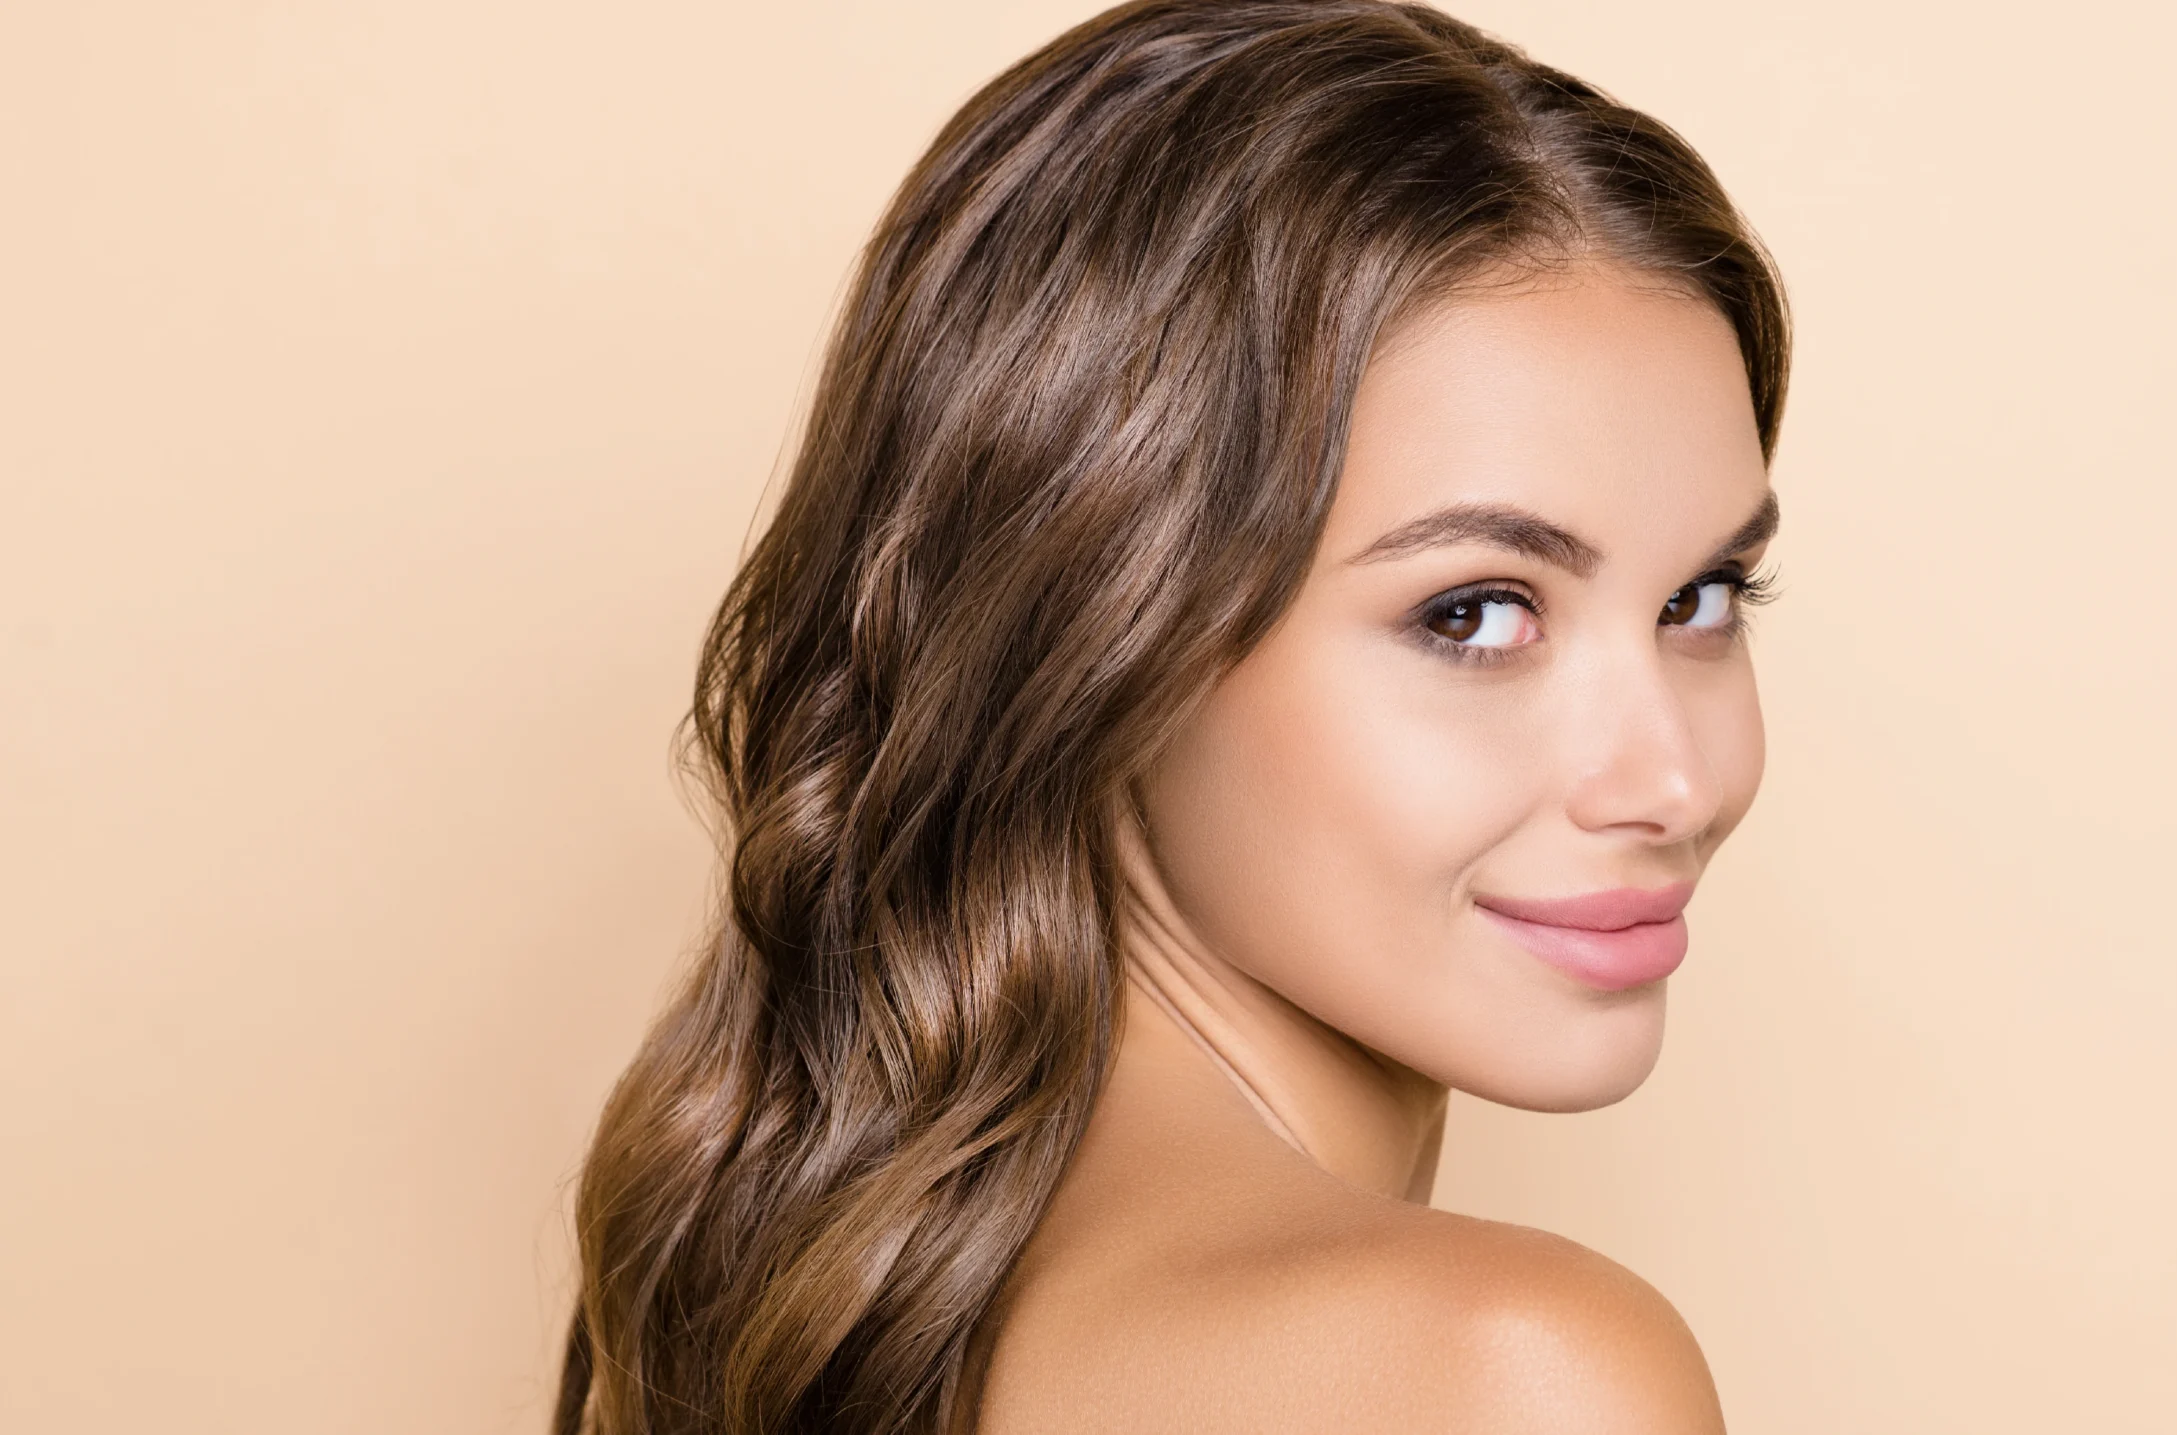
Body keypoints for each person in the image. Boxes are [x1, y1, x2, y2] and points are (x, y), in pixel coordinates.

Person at [554, 1, 1788, 1430]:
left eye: (1703, 596)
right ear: (1098, 631)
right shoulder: (1508, 1373)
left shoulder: (841, 1301)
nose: (1676, 777)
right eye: (1475, 613)